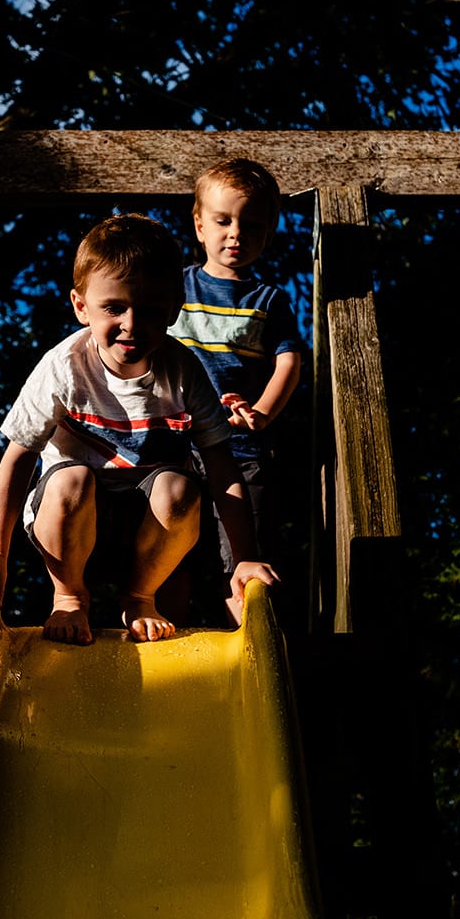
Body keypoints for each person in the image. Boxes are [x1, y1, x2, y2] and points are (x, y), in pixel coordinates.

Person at [0, 214, 280, 644]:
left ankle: (141, 598)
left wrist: (245, 558)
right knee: (71, 477)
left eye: (148, 310)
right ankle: (69, 597)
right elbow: (17, 459)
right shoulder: (64, 368)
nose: (131, 324)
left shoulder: (182, 371)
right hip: (72, 521)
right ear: (80, 306)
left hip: (149, 534)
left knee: (181, 488)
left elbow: (222, 467)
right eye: (114, 307)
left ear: (173, 308)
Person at [168, 159, 303, 620]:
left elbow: (288, 361)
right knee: (172, 548)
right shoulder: (174, 287)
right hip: (174, 446)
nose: (236, 233)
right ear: (199, 224)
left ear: (268, 234)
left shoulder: (267, 300)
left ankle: (242, 634)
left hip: (240, 447)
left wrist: (262, 412)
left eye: (252, 225)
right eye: (223, 220)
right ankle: (168, 630)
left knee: (246, 553)